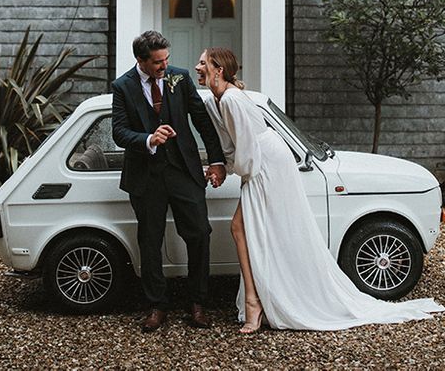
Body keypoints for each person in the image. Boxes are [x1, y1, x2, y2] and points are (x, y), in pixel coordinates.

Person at [195, 46, 445, 332]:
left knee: (246, 228)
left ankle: (258, 302)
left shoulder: (230, 99)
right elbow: (236, 148)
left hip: (267, 164)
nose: (197, 66)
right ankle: (257, 299)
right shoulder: (218, 100)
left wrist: (227, 171)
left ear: (219, 69)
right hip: (260, 161)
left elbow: (247, 154)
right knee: (245, 229)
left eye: (202, 63)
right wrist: (222, 167)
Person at [112, 30, 227, 332]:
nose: (164, 66)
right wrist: (148, 138)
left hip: (184, 171)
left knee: (200, 233)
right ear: (141, 60)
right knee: (150, 240)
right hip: (146, 176)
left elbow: (202, 121)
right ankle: (156, 305)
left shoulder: (180, 77)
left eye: (166, 60)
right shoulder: (123, 86)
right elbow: (119, 132)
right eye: (158, 62)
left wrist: (216, 160)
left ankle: (198, 302)